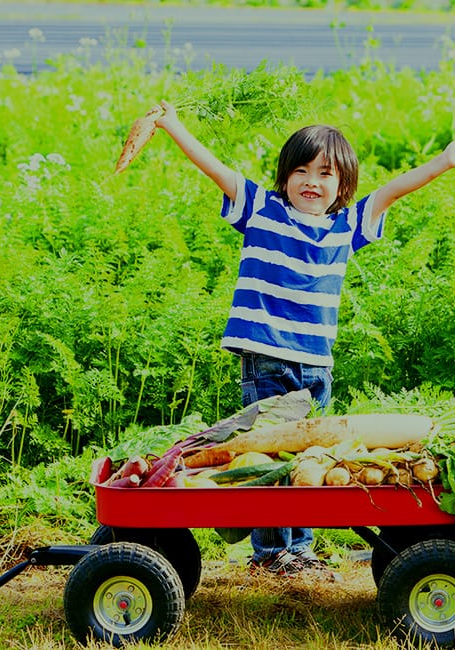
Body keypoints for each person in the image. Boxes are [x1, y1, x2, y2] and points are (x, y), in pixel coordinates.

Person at [154, 100, 455, 577]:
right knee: (266, 453)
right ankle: (272, 554)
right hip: (265, 357)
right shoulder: (261, 208)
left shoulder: (346, 225)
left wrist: (446, 160)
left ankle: (301, 547)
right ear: (284, 177)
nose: (312, 181)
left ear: (343, 185)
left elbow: (395, 189)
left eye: (325, 173)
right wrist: (173, 126)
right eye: (301, 170)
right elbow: (217, 169)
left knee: (311, 458)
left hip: (315, 363)